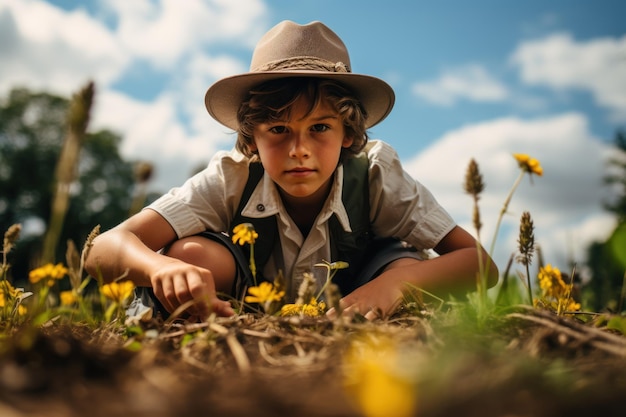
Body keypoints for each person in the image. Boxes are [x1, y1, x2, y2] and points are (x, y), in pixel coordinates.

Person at [85, 20, 498, 321]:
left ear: (349, 135)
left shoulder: (376, 175)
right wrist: (162, 269)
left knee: (408, 269)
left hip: (359, 304)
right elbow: (101, 249)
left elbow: (480, 264)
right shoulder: (232, 177)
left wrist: (396, 286)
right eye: (278, 130)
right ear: (251, 140)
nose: (299, 150)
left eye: (319, 128)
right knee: (190, 253)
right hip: (246, 309)